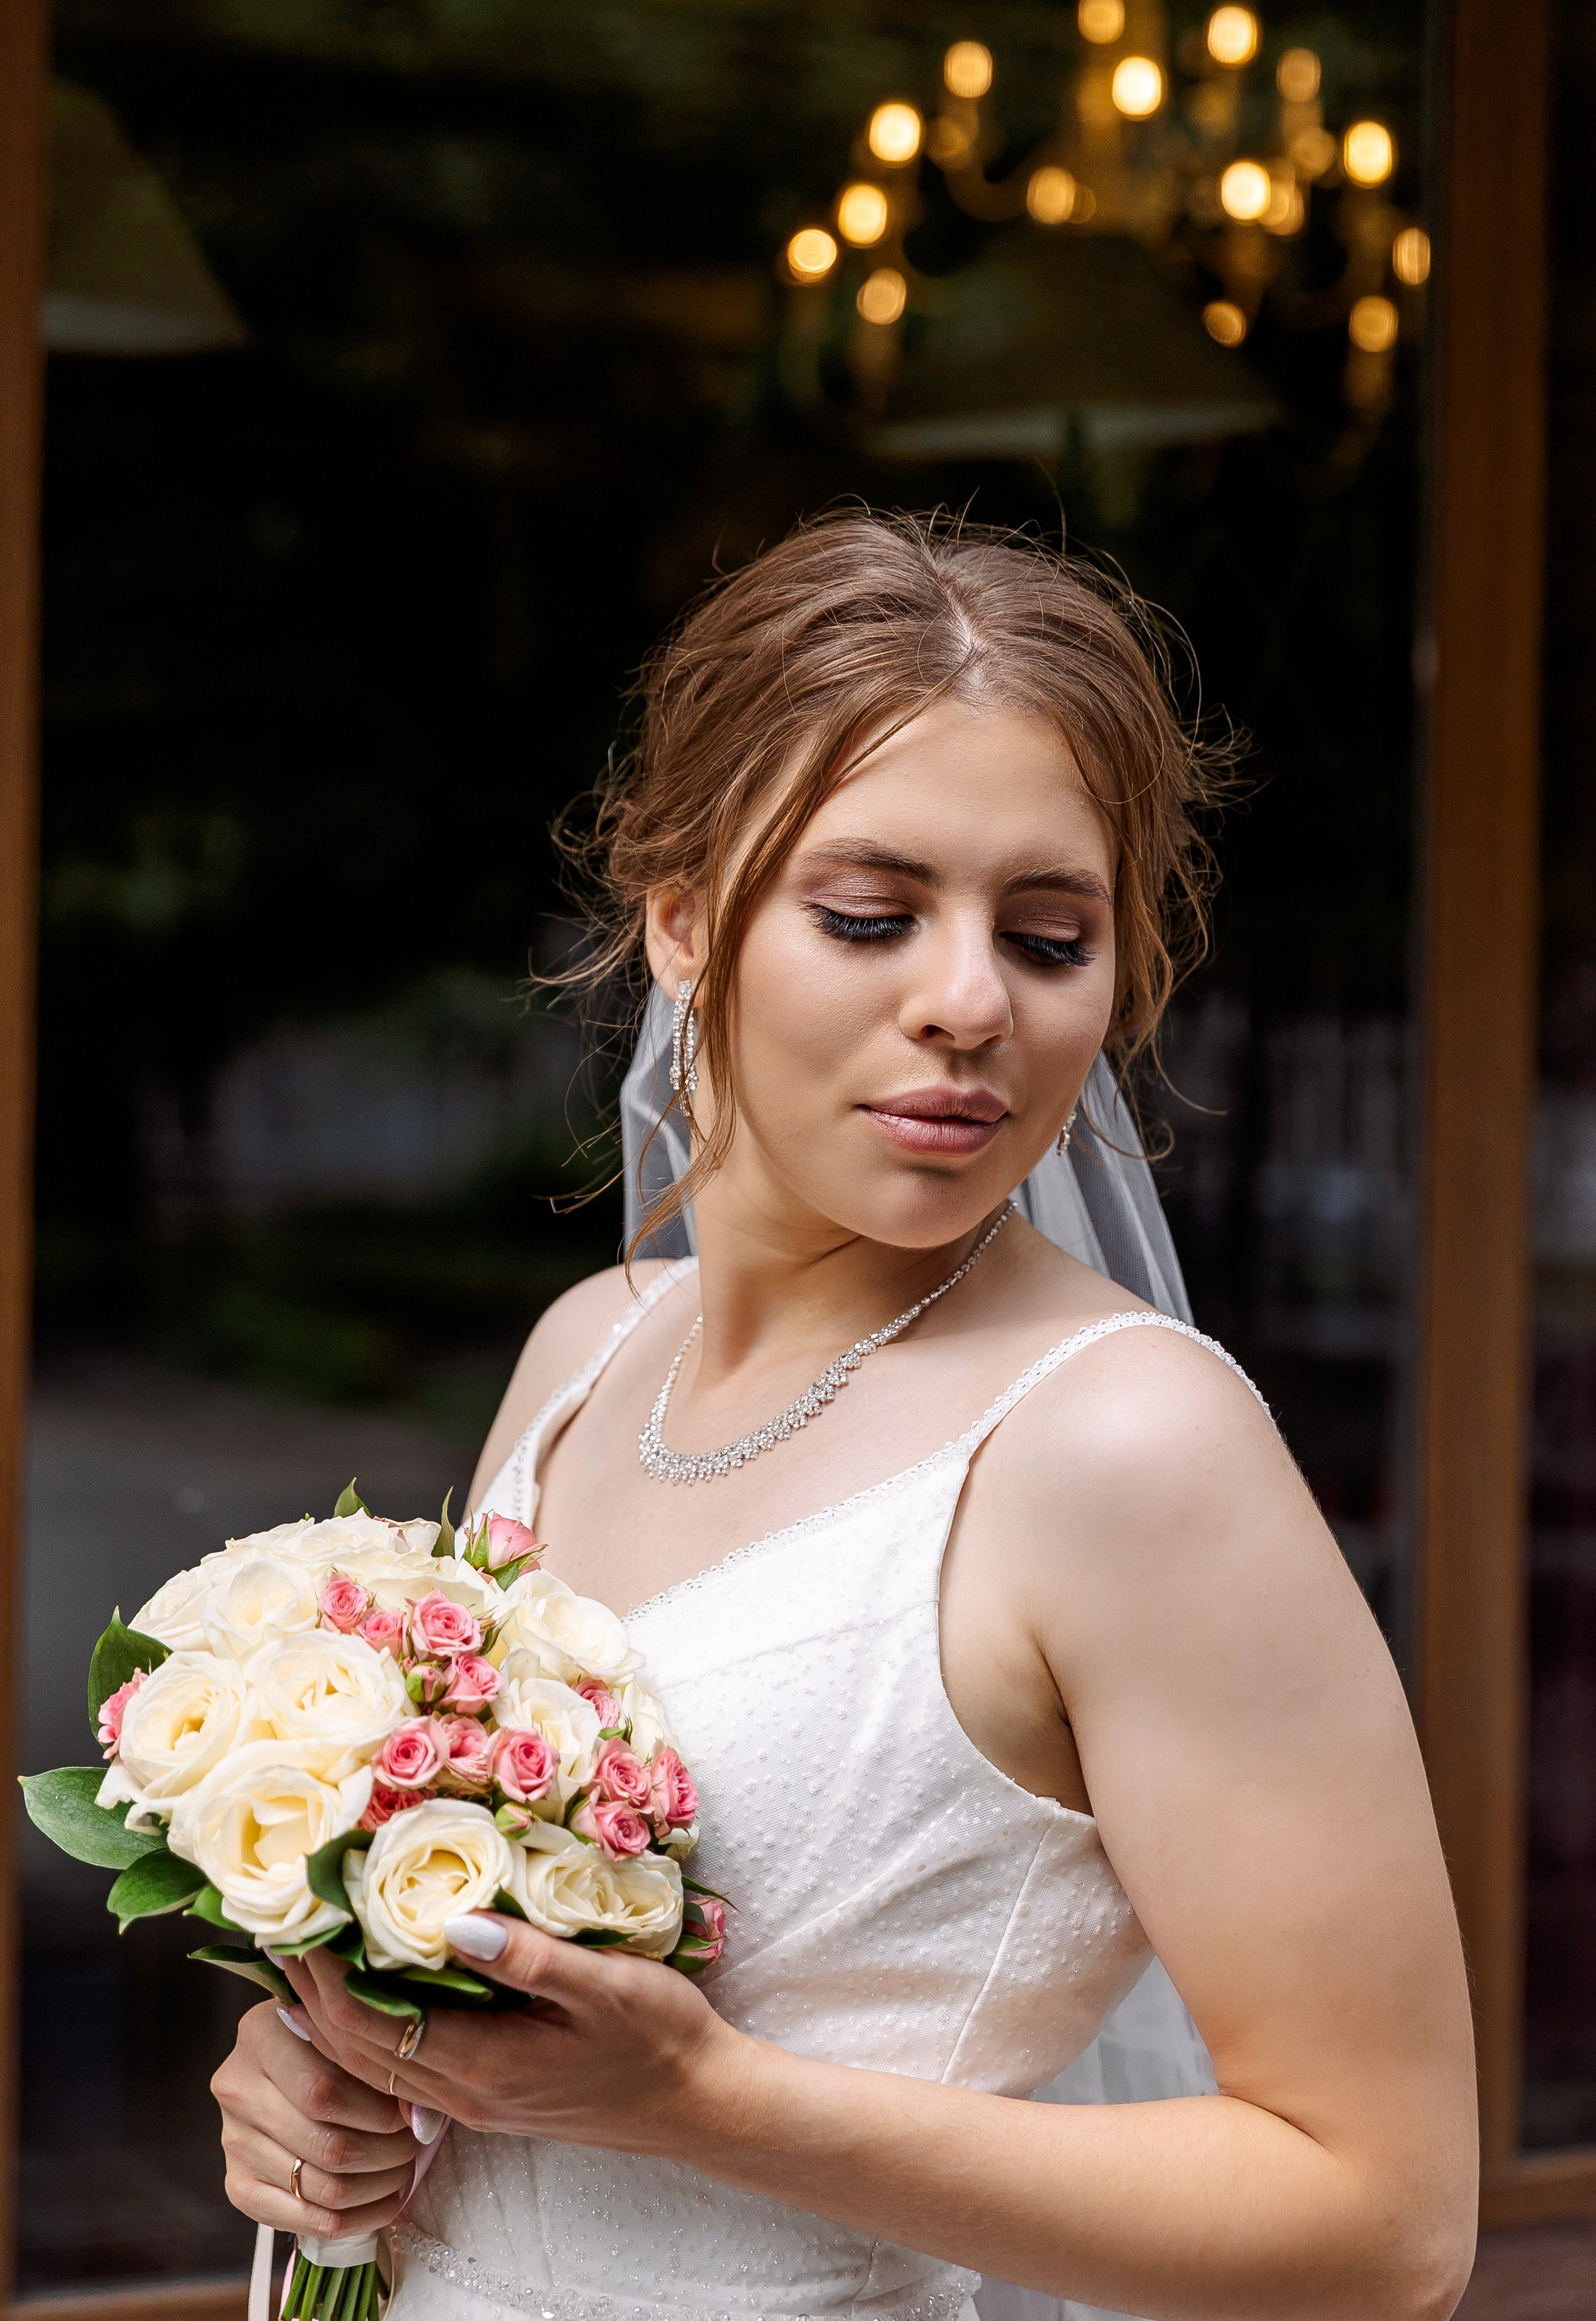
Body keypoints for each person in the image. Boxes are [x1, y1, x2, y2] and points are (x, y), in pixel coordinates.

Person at [211, 513, 1478, 2321]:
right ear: (679, 920)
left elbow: (1389, 2222)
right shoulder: (583, 1354)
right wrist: (317, 2081)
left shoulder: (1130, 1448)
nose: (968, 1002)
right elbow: (488, 2010)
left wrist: (717, 2104)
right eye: (873, 915)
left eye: (1049, 938)